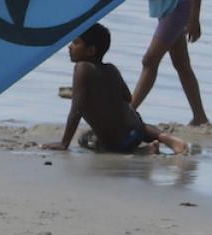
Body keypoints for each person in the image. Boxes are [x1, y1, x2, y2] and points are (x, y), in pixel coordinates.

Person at [56, 23, 187, 155]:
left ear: (90, 51)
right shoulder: (111, 69)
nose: (70, 47)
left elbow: (76, 110)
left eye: (75, 43)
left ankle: (143, 151)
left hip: (119, 143)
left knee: (85, 140)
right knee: (133, 120)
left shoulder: (82, 68)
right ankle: (166, 138)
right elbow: (127, 97)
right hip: (137, 131)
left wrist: (64, 143)